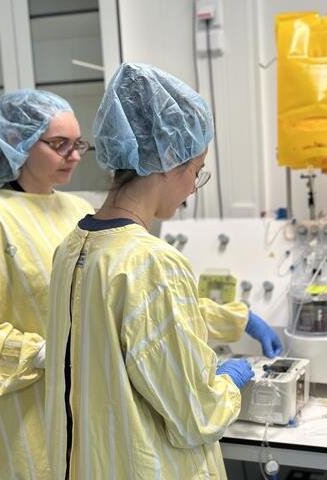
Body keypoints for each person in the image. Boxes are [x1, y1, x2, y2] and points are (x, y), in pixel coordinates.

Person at [43, 62, 283, 479]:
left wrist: (238, 318)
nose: (193, 187)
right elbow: (196, 414)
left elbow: (143, 327)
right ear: (169, 163)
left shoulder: (73, 247)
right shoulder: (151, 261)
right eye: (195, 171)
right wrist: (228, 381)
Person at [0, 89, 95, 479]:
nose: (73, 156)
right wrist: (46, 354)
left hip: (81, 405)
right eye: (59, 145)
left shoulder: (81, 210)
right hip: (18, 418)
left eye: (78, 144)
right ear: (17, 142)